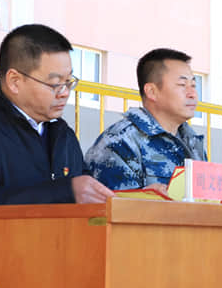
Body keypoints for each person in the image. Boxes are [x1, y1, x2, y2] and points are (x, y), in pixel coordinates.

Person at [0, 24, 114, 288]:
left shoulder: (62, 133)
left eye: (69, 82)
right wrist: (66, 192)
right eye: (54, 83)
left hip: (60, 285)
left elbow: (85, 196)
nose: (65, 92)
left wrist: (136, 197)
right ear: (15, 81)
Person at [86, 48, 206, 194]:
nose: (193, 94)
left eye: (193, 85)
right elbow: (113, 204)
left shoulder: (192, 142)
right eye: (182, 85)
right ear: (152, 92)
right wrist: (147, 198)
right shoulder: (119, 142)